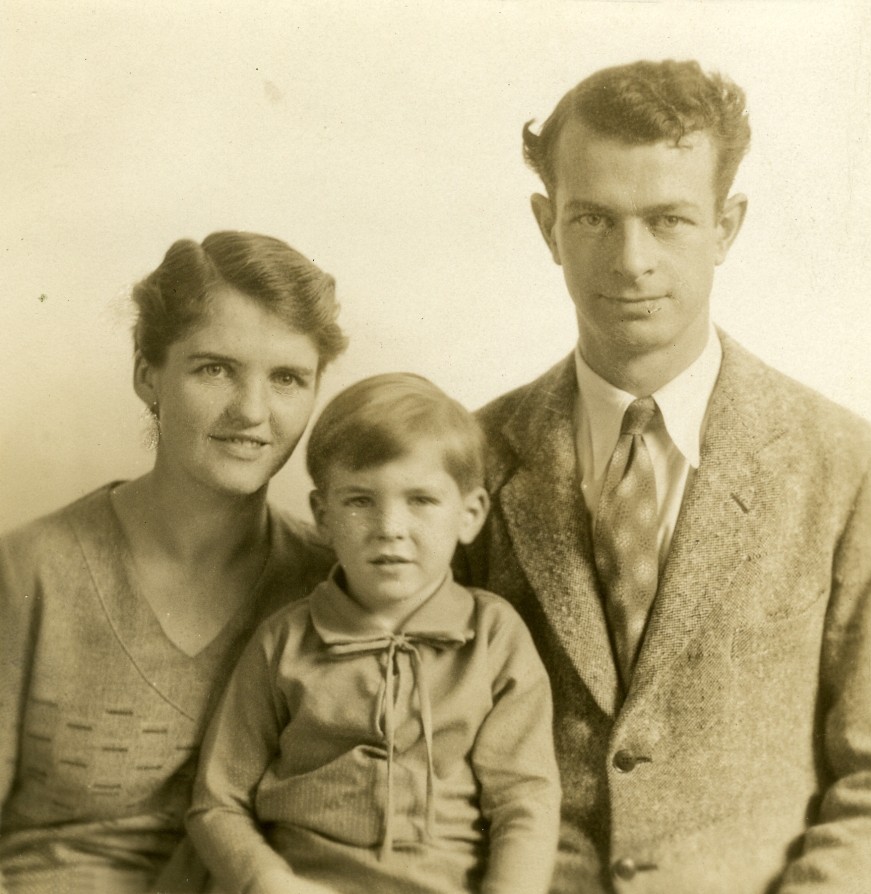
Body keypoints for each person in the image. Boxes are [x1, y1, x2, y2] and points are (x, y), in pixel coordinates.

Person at [461, 59, 871, 893]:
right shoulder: (465, 461)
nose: (631, 261)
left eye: (668, 219)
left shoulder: (855, 470)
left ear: (726, 226)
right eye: (593, 218)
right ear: (546, 223)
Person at [0, 231, 347, 893]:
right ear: (146, 373)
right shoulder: (30, 572)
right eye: (214, 368)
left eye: (286, 379)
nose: (251, 411)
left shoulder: (334, 584)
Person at [186, 373, 561, 894]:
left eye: (421, 501)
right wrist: (265, 880)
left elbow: (525, 803)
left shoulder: (493, 637)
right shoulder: (284, 641)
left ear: (469, 515)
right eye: (360, 501)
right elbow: (217, 803)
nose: (390, 526)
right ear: (322, 516)